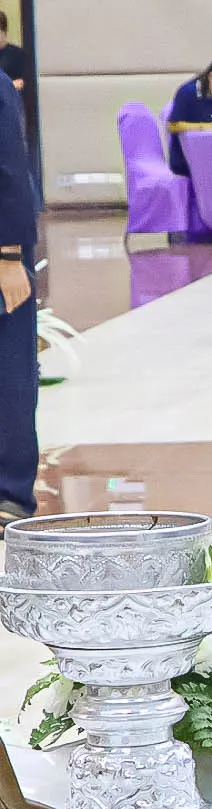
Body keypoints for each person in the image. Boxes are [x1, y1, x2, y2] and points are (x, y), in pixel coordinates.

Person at [0, 76, 43, 527]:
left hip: (2, 248)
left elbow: (9, 165)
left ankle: (11, 492)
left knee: (10, 370)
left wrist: (10, 255)